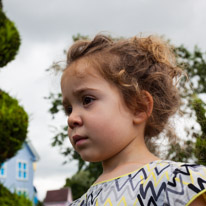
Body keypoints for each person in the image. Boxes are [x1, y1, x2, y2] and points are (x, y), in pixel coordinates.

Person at [60, 34, 206, 206]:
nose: (71, 119)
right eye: (69, 109)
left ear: (139, 107)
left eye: (87, 100)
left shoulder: (180, 184)